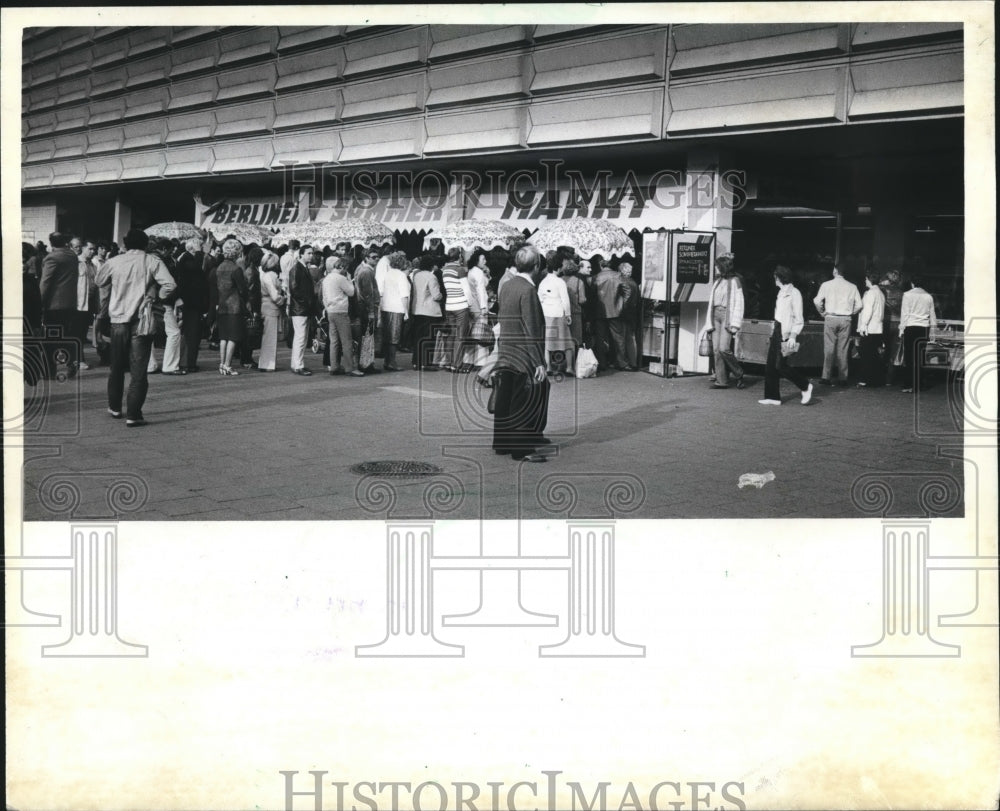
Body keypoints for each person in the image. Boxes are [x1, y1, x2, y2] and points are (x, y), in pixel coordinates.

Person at [94, 228, 176, 426]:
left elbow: (99, 281)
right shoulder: (152, 261)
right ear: (146, 244)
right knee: (139, 370)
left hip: (118, 320)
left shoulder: (114, 261)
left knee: (116, 367)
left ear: (125, 244)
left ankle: (114, 407)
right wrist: (156, 295)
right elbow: (170, 285)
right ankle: (133, 414)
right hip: (141, 320)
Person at [492, 245, 551, 463]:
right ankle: (521, 448)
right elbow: (532, 328)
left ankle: (502, 443)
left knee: (505, 397)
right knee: (523, 399)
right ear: (536, 266)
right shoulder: (528, 290)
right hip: (523, 353)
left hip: (507, 348)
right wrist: (539, 362)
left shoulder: (507, 285)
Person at [759, 266, 813, 406]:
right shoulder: (781, 293)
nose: (774, 280)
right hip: (777, 328)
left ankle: (805, 385)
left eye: (775, 277)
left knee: (780, 366)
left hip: (786, 331)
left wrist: (793, 336)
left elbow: (798, 318)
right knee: (771, 364)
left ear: (779, 278)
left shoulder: (794, 293)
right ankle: (772, 397)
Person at [39, 231, 81, 376]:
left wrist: (40, 302)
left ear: (51, 243)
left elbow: (45, 282)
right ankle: (71, 362)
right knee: (67, 335)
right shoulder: (72, 256)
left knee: (51, 339)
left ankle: (49, 371)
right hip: (70, 303)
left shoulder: (52, 258)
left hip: (54, 305)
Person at [813, 263, 862, 386]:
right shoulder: (852, 286)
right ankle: (842, 378)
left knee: (829, 348)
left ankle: (826, 377)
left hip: (830, 318)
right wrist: (851, 312)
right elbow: (860, 305)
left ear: (835, 271)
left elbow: (817, 301)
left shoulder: (826, 285)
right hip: (846, 319)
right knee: (843, 348)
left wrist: (822, 312)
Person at [705, 252, 745, 388]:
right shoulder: (718, 281)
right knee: (716, 349)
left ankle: (739, 372)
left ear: (723, 267)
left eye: (717, 266)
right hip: (715, 315)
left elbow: (740, 302)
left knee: (723, 348)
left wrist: (735, 322)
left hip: (727, 316)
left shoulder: (735, 281)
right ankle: (721, 381)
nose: (715, 268)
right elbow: (712, 302)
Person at [321, 256, 364, 377]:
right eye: (345, 268)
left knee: (334, 340)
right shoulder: (341, 278)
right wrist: (349, 279)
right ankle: (350, 368)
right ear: (341, 267)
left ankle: (334, 366)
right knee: (346, 341)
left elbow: (323, 296)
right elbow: (351, 292)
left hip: (331, 311)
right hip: (341, 311)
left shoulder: (327, 278)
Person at [173, 237, 209, 372]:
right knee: (191, 333)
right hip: (191, 301)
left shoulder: (186, 258)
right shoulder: (186, 259)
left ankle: (189, 361)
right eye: (199, 246)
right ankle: (188, 362)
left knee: (192, 332)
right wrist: (200, 253)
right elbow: (195, 268)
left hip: (192, 301)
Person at [898, 275, 937, 394]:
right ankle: (918, 385)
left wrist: (901, 329)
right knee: (919, 357)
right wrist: (933, 332)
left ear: (912, 283)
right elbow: (932, 315)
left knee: (909, 358)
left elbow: (905, 314)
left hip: (910, 327)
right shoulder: (928, 296)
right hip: (923, 328)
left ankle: (908, 385)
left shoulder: (907, 295)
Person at [537, 257, 573, 375]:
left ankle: (549, 367)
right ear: (558, 268)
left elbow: (540, 298)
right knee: (566, 341)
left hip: (546, 313)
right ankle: (569, 367)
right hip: (559, 313)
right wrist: (568, 314)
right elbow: (565, 300)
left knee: (548, 342)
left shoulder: (543, 282)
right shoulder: (560, 282)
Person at [593, 257, 630, 370]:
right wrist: (621, 304)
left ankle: (602, 363)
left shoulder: (595, 277)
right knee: (618, 338)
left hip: (599, 312)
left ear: (600, 265)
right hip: (615, 311)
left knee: (600, 339)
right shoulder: (618, 276)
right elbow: (627, 291)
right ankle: (622, 363)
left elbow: (592, 296)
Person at [287, 244, 318, 376]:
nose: (311, 255)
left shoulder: (302, 268)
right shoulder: (297, 269)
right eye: (309, 253)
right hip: (300, 308)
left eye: (312, 253)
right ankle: (298, 365)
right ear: (301, 254)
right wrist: (307, 302)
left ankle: (297, 364)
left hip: (302, 308)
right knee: (300, 337)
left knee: (301, 337)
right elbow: (294, 290)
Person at [441, 247, 472, 372]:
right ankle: (457, 364)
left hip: (449, 305)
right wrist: (469, 304)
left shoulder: (445, 270)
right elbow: (466, 290)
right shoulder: (459, 270)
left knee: (451, 335)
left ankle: (449, 362)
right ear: (459, 257)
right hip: (460, 305)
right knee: (461, 335)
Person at [410, 254, 443, 371]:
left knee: (418, 337)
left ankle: (416, 362)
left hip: (417, 309)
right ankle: (427, 363)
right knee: (429, 338)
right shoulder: (431, 277)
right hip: (429, 311)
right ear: (431, 265)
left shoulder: (416, 275)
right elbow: (436, 295)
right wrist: (442, 295)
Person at [380, 251, 411, 371]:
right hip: (397, 308)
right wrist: (406, 311)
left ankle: (387, 361)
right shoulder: (401, 276)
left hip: (386, 307)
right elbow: (404, 295)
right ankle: (391, 362)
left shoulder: (387, 274)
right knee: (395, 336)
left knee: (388, 336)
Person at [856, 271, 886, 388]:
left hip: (869, 328)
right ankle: (875, 379)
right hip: (877, 328)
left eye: (866, 279)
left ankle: (865, 379)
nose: (865, 281)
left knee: (866, 355)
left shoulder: (870, 294)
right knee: (873, 355)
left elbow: (867, 311)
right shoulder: (880, 293)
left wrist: (863, 325)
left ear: (869, 280)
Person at [257, 253, 284, 372]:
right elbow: (275, 296)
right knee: (270, 337)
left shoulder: (263, 275)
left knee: (267, 336)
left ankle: (266, 363)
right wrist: (283, 299)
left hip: (264, 305)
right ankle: (267, 363)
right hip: (271, 307)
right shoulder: (272, 276)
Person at [238, 245, 264, 370]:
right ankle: (246, 359)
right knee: (250, 334)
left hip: (249, 306)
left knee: (248, 334)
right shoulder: (252, 272)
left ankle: (246, 358)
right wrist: (254, 311)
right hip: (251, 307)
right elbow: (252, 293)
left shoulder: (250, 269)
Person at [465, 249, 492, 370]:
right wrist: (483, 307)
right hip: (480, 305)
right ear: (477, 260)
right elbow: (481, 289)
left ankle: (468, 360)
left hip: (472, 305)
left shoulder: (471, 271)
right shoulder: (478, 273)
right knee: (482, 334)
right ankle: (481, 361)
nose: (485, 261)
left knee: (473, 334)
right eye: (483, 259)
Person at [880, 269, 904, 385]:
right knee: (893, 352)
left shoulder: (882, 291)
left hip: (886, 321)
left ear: (888, 279)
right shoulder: (902, 293)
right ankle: (889, 378)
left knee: (883, 348)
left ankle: (881, 374)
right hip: (897, 322)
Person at [618, 261, 641, 371]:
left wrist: (621, 311)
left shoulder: (622, 281)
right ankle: (633, 362)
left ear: (621, 270)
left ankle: (623, 362)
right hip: (633, 312)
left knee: (622, 338)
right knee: (631, 338)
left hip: (625, 312)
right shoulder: (633, 282)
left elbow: (625, 299)